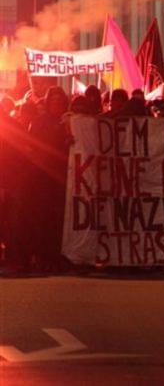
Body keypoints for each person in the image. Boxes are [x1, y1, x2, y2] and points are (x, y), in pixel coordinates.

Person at [27, 86, 71, 272]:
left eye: (60, 102)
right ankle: (42, 257)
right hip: (42, 178)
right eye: (53, 101)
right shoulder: (38, 123)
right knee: (43, 219)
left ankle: (56, 257)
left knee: (60, 220)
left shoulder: (69, 122)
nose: (57, 105)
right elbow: (32, 147)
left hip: (62, 179)